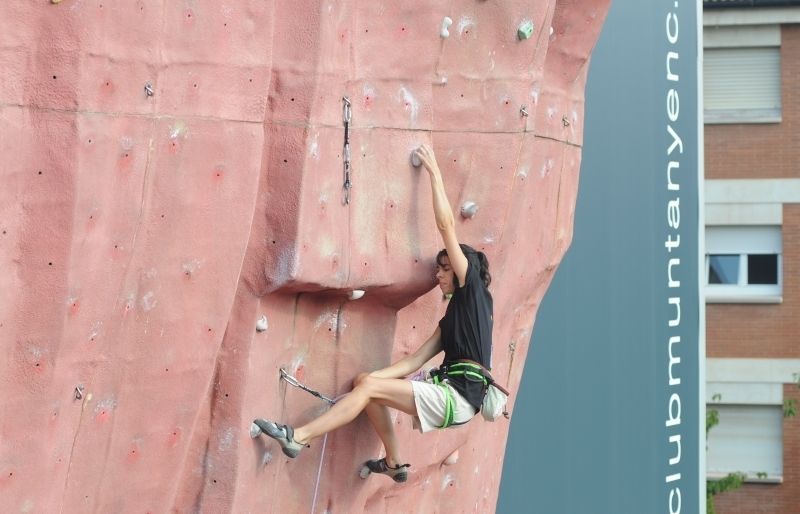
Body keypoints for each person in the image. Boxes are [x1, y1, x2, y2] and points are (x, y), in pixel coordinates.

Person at [252, 144, 494, 483]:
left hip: (455, 397)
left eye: (443, 270)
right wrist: (376, 379)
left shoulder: (474, 293)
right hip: (454, 399)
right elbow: (413, 363)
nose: (438, 276)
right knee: (366, 383)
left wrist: (435, 173)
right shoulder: (454, 319)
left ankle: (299, 437)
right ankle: (394, 462)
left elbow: (446, 227)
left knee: (367, 390)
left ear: (459, 270)